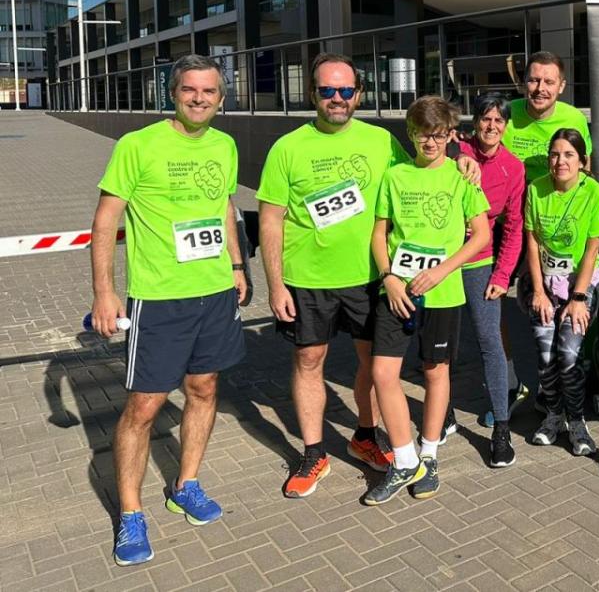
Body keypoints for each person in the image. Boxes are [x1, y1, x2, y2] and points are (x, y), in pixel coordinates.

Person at [90, 54, 247, 566]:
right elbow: (104, 221)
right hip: (158, 301)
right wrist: (104, 294)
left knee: (204, 389)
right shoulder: (138, 146)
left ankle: (186, 483)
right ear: (172, 94)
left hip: (214, 293)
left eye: (208, 92)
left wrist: (238, 265)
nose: (199, 99)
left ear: (221, 99)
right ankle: (131, 513)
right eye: (189, 90)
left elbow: (224, 207)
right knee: (144, 407)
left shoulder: (225, 145)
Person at [257, 53, 411, 498]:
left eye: (346, 91)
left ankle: (365, 436)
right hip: (307, 279)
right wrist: (276, 283)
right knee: (309, 362)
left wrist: (463, 162)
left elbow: (419, 173)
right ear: (313, 94)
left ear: (359, 95)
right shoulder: (288, 148)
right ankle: (313, 453)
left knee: (372, 363)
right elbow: (271, 220)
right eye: (328, 91)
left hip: (368, 277)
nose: (337, 99)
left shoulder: (382, 141)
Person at [364, 96, 491, 505]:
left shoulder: (461, 177)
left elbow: (482, 236)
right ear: (411, 134)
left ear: (450, 135)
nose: (430, 143)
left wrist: (443, 269)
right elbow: (379, 233)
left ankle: (430, 453)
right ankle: (405, 460)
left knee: (436, 372)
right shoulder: (395, 175)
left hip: (442, 293)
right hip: (396, 291)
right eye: (422, 134)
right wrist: (388, 277)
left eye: (438, 135)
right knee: (384, 373)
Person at [523, 128, 599, 456]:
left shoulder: (595, 193)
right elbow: (532, 242)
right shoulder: (536, 189)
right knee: (546, 356)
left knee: (569, 355)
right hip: (544, 285)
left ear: (582, 161)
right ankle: (553, 415)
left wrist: (578, 299)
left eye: (568, 155)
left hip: (580, 285)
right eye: (555, 154)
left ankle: (577, 421)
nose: (560, 161)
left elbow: (592, 249)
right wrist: (538, 291)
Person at [456, 94, 525, 468]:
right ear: (476, 121)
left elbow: (513, 229)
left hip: (481, 262)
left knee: (490, 342)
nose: (492, 126)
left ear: (506, 126)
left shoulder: (513, 169)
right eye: (486, 119)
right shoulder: (458, 151)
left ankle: (501, 427)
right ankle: (442, 417)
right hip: (440, 262)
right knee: (440, 345)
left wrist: (502, 276)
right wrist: (456, 150)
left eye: (499, 120)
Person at [503, 50, 592, 184]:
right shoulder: (504, 112)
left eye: (549, 82)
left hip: (556, 198)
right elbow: (474, 147)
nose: (540, 89)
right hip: (513, 198)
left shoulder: (575, 119)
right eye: (534, 80)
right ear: (524, 83)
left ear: (561, 86)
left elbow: (584, 167)